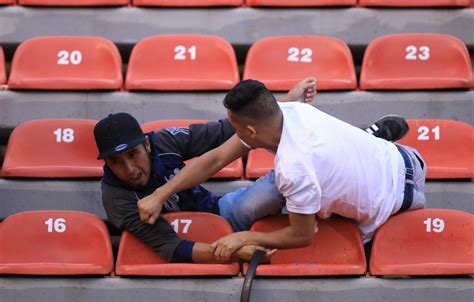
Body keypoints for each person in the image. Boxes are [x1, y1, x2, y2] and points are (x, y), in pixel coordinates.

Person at [137, 79, 426, 262]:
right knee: (300, 181)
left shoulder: (294, 170)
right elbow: (215, 159)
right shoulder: (290, 110)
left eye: (235, 128)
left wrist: (246, 237)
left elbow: (302, 236)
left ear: (250, 131)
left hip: (397, 203)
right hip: (406, 158)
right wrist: (161, 194)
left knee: (294, 190)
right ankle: (370, 136)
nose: (232, 134)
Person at [94, 78, 318, 264]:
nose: (129, 169)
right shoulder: (115, 197)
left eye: (133, 154)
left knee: (271, 190)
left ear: (147, 144)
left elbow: (220, 132)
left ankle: (318, 209)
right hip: (191, 240)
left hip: (217, 213)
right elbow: (172, 248)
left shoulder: (163, 141)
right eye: (115, 161)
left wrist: (285, 103)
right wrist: (233, 252)